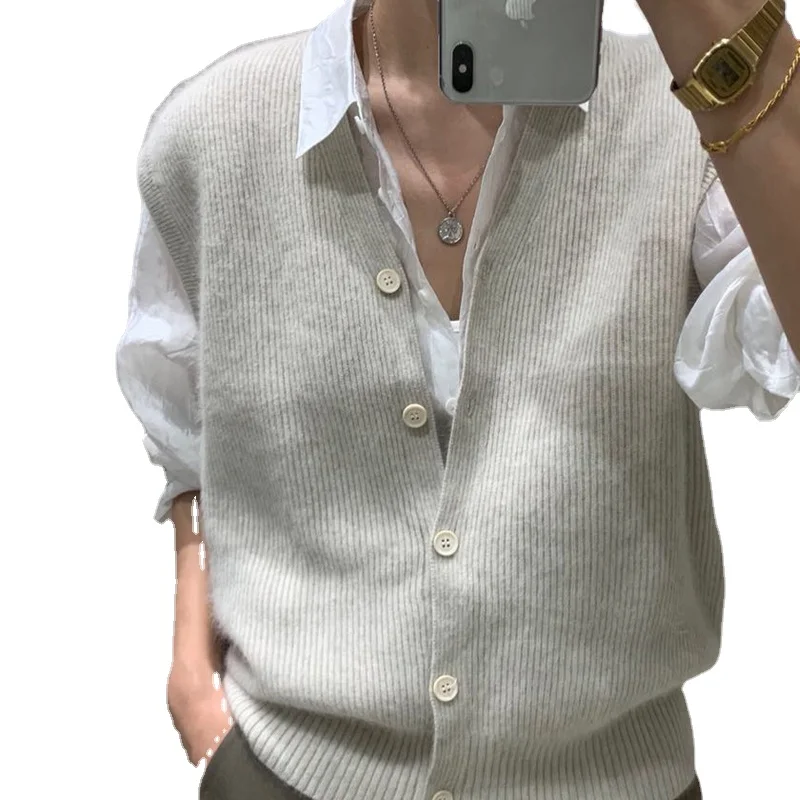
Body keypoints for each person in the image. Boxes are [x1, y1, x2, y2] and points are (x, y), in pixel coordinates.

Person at [115, 0, 800, 798]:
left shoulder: (693, 114)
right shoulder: (212, 131)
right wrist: (192, 662)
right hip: (290, 768)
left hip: (618, 778)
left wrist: (727, 36)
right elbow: (183, 416)